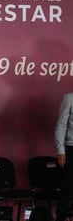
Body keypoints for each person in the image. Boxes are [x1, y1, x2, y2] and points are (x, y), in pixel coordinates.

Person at [55, 92, 73, 221]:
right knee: (68, 187)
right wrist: (60, 150)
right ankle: (62, 217)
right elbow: (61, 125)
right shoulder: (69, 98)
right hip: (71, 147)